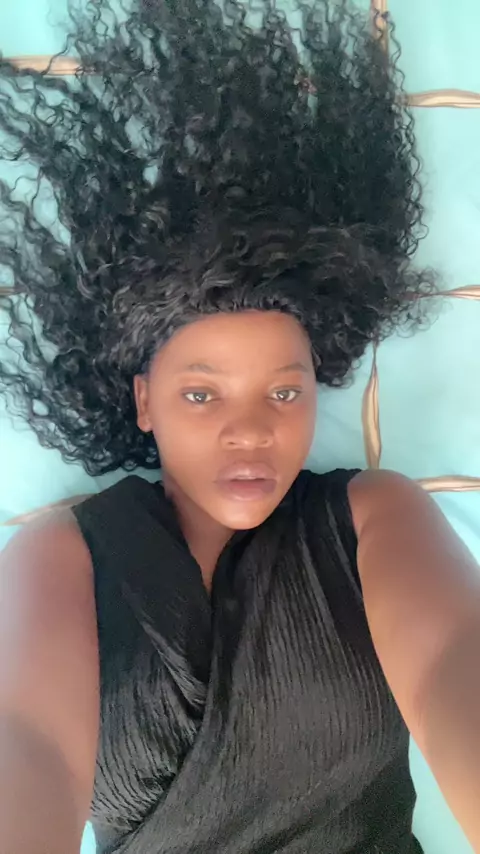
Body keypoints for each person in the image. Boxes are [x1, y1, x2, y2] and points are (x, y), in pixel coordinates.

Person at [0, 1, 480, 853]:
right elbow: (26, 747)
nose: (251, 431)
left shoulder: (373, 520)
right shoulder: (63, 556)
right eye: (201, 396)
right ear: (143, 401)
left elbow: (457, 665)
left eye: (285, 393)